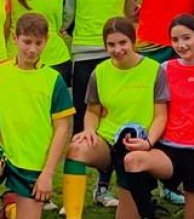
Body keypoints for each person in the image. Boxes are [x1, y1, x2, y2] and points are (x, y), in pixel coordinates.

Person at [0, 13, 75, 219]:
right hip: (0, 153)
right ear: (15, 38)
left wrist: (47, 174)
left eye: (38, 43)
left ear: (46, 42)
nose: (32, 49)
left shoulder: (54, 80)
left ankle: (10, 205)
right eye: (27, 42)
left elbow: (63, 129)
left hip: (32, 164)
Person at [62, 16, 168, 219]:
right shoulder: (99, 72)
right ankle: (72, 214)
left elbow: (161, 116)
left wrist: (148, 142)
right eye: (111, 44)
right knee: (76, 148)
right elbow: (93, 111)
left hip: (136, 146)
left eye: (122, 43)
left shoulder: (154, 70)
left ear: (133, 42)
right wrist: (90, 131)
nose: (117, 49)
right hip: (106, 141)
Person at [63, 0, 139, 208]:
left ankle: (103, 187)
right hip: (85, 56)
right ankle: (73, 196)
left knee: (113, 120)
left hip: (118, 57)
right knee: (83, 122)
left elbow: (131, 12)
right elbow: (67, 16)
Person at [124, 14, 194, 219]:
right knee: (133, 160)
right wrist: (147, 141)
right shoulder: (165, 69)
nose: (181, 44)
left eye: (186, 38)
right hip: (169, 150)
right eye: (175, 40)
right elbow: (156, 110)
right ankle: (148, 214)